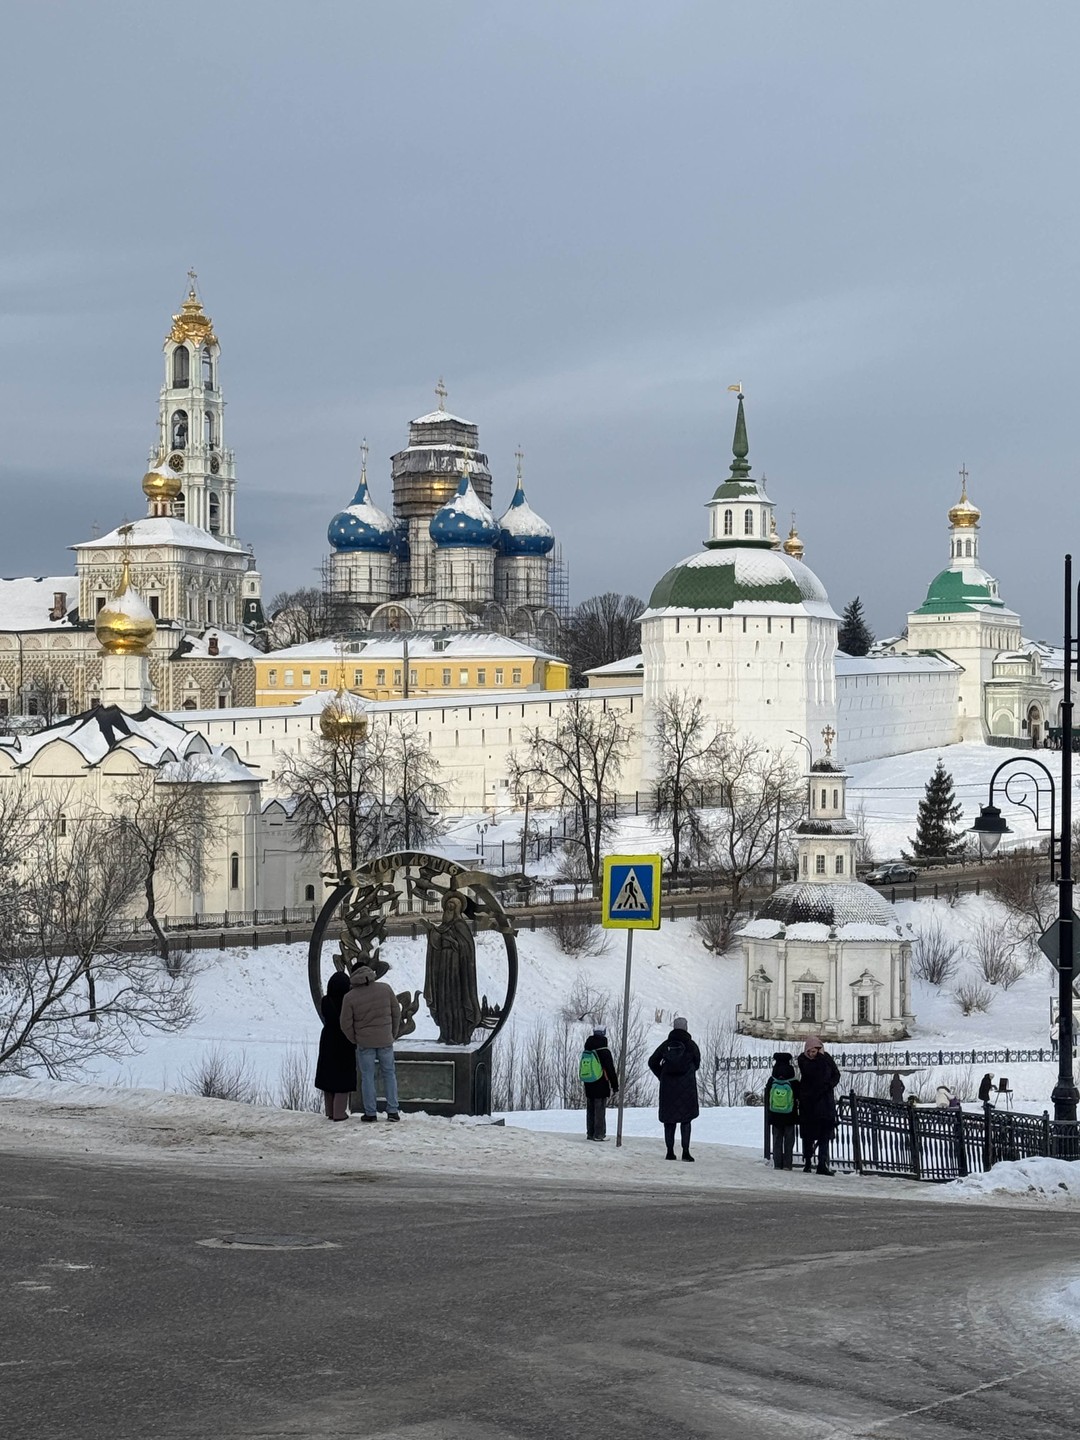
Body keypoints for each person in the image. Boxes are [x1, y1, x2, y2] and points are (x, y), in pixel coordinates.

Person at [339, 965, 403, 1122]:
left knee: (367, 1077)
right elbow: (396, 1012)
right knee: (389, 1074)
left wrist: (355, 1039)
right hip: (385, 1040)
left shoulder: (350, 997)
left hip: (365, 1043)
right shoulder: (385, 989)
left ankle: (370, 1112)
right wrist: (392, 1033)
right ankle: (393, 1111)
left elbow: (345, 1024)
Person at [648, 1016, 701, 1161]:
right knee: (686, 1120)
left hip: (668, 1088)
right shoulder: (691, 1046)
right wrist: (687, 1074)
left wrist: (662, 1076)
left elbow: (652, 1062)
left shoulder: (666, 1045)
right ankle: (686, 1152)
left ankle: (670, 1152)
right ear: (686, 1028)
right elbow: (697, 1063)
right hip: (687, 1088)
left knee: (669, 1121)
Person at [314, 970, 357, 1121]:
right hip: (344, 1039)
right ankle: (339, 1112)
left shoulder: (326, 1001)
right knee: (342, 1077)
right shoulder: (347, 1001)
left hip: (327, 1038)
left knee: (329, 1075)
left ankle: (330, 1111)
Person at [797, 1036, 841, 1175]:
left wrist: (829, 1085)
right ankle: (808, 1162)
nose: (811, 1054)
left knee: (824, 1135)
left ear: (819, 1050)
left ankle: (822, 1164)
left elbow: (836, 1075)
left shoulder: (826, 1059)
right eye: (809, 1052)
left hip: (825, 1104)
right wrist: (820, 1060)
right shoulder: (804, 1061)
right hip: (809, 1104)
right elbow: (812, 1073)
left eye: (814, 1051)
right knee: (808, 1135)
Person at [580, 1026, 619, 1141]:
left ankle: (590, 1133)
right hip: (601, 1083)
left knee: (590, 1109)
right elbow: (610, 1069)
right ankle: (599, 1134)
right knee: (600, 1110)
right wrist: (615, 1085)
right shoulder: (604, 1051)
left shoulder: (587, 1049)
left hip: (589, 1082)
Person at [765, 1052, 799, 1170]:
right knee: (789, 1140)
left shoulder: (772, 1079)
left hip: (775, 1114)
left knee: (777, 1139)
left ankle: (778, 1163)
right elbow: (798, 1094)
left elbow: (767, 1095)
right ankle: (787, 1164)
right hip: (790, 1115)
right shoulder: (792, 1079)